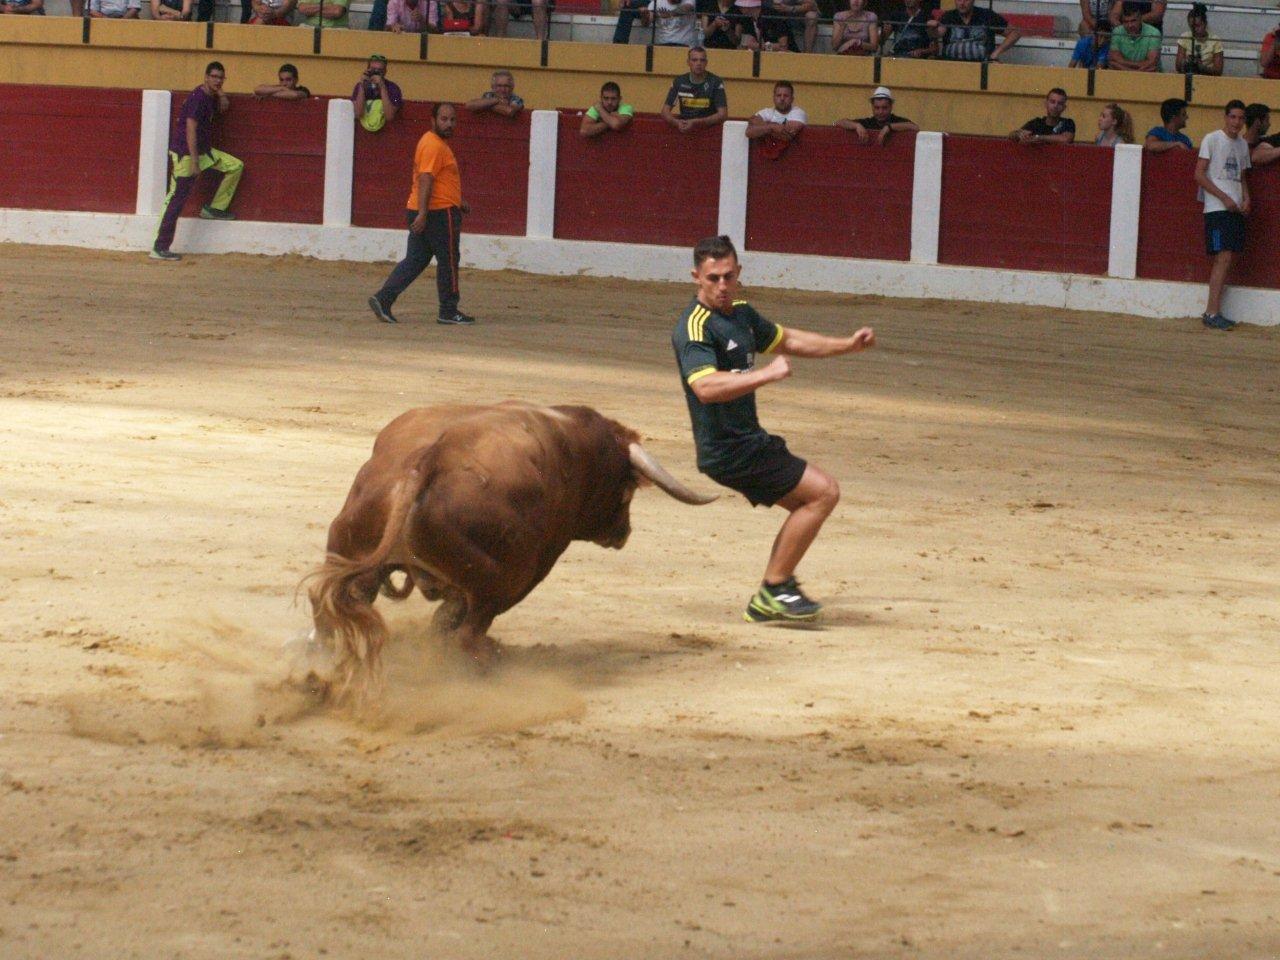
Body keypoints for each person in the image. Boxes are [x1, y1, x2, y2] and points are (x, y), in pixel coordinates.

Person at [671, 234, 876, 623]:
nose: (722, 286)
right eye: (713, 278)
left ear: (739, 272)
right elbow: (705, 387)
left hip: (748, 441)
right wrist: (765, 375)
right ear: (696, 276)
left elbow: (790, 339)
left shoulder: (741, 314)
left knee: (809, 502)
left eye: (728, 276)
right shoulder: (694, 327)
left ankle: (778, 587)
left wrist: (846, 345)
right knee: (823, 493)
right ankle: (774, 588)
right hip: (728, 450)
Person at [368, 102, 475, 326]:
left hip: (426, 209)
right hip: (438, 213)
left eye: (452, 120)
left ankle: (384, 298)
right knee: (448, 260)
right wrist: (424, 214)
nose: (449, 124)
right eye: (444, 119)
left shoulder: (432, 143)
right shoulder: (434, 145)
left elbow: (438, 180)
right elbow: (426, 178)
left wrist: (457, 200)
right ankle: (448, 310)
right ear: (433, 120)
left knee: (415, 260)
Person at [151, 62, 244, 263]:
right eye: (214, 77)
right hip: (187, 155)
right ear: (206, 77)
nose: (217, 81)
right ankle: (159, 247)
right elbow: (190, 129)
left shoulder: (209, 94)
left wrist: (221, 95)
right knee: (176, 199)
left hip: (203, 152)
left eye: (221, 78)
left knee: (235, 166)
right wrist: (194, 161)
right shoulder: (198, 99)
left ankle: (214, 208)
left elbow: (219, 100)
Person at [1195, 100, 1250, 331]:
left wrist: (1246, 198)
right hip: (1217, 208)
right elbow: (1199, 174)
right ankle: (1211, 312)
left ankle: (1213, 311)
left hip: (1234, 208)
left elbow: (1241, 177)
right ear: (1226, 117)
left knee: (1225, 259)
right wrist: (1224, 197)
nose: (1236, 122)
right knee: (1222, 259)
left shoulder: (1242, 145)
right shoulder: (1212, 139)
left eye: (1240, 118)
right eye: (1233, 117)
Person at [662, 47, 728, 133]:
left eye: (702, 60)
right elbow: (665, 111)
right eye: (694, 60)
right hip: (685, 131)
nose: (698, 63)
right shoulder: (679, 81)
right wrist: (676, 123)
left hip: (709, 131)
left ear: (706, 63)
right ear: (688, 62)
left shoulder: (715, 82)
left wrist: (696, 123)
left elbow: (723, 115)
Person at [930, 0, 1020, 62]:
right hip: (950, 66)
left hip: (981, 65)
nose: (962, 3)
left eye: (966, 0)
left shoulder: (987, 15)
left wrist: (995, 54)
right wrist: (932, 28)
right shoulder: (948, 16)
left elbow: (1015, 33)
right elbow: (938, 33)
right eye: (959, 0)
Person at [836, 85, 918, 144]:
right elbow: (839, 122)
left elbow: (915, 127)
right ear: (872, 107)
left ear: (891, 107)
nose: (880, 112)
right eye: (877, 108)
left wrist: (890, 127)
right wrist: (856, 126)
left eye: (884, 108)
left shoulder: (897, 121)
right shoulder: (867, 122)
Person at [746, 81, 806, 158]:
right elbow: (749, 132)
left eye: (786, 96)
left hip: (794, 158)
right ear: (774, 98)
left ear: (792, 99)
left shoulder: (798, 113)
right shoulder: (766, 112)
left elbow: (786, 135)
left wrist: (764, 127)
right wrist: (772, 127)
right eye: (778, 95)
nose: (782, 98)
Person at [353, 56, 403, 133]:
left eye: (379, 70)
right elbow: (357, 114)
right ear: (367, 70)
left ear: (385, 72)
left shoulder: (393, 88)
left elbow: (389, 116)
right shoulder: (360, 86)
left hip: (388, 133)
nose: (375, 73)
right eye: (373, 70)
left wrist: (382, 87)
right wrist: (362, 86)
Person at [1010, 88, 1076, 145]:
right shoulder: (1037, 123)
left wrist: (1038, 137)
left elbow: (1066, 139)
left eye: (1060, 103)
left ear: (1064, 107)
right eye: (1052, 102)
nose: (1055, 106)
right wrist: (1018, 134)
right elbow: (1012, 135)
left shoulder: (1067, 123)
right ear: (1046, 104)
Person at [1109, 3, 1161, 71]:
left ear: (1140, 19)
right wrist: (1135, 71)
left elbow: (1152, 63)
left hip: (1146, 75)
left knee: (1152, 67)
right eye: (1126, 22)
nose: (1130, 25)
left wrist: (1126, 68)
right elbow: (1114, 59)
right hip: (1137, 71)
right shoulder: (1117, 31)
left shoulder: (1153, 33)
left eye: (1133, 21)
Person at [1176, 3, 1222, 76]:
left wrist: (1202, 68)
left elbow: (1218, 71)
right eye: (1191, 26)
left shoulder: (1215, 40)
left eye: (1197, 26)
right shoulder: (1184, 37)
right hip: (1188, 76)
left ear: (1205, 24)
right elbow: (1178, 67)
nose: (1194, 29)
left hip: (1208, 78)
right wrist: (1185, 63)